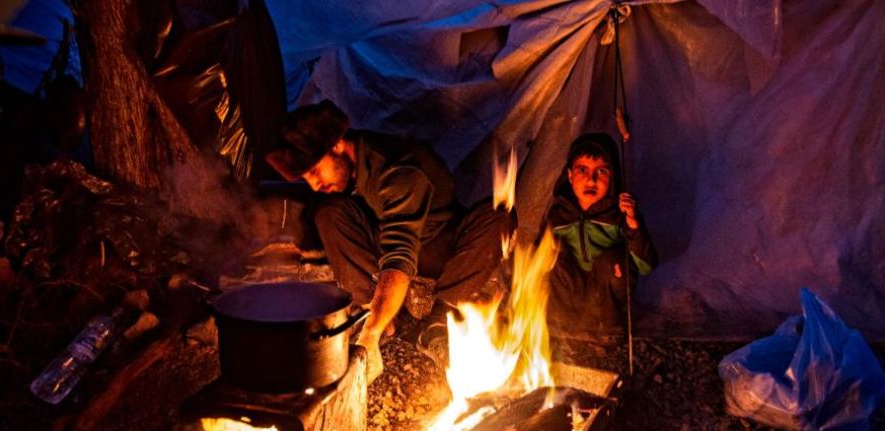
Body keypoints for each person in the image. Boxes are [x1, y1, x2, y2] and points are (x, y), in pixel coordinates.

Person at [265, 100, 511, 380]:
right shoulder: (350, 171)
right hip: (385, 246)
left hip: (440, 250)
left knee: (499, 216)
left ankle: (439, 318)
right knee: (329, 212)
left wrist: (370, 333)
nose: (314, 183)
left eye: (314, 172)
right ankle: (378, 313)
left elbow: (399, 255)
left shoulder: (399, 172)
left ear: (336, 145)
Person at [539, 132, 657, 336]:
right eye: (582, 170)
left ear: (612, 177)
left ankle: (607, 328)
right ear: (569, 175)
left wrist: (632, 222)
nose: (591, 180)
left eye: (601, 172)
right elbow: (539, 260)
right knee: (552, 256)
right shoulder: (558, 216)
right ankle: (561, 325)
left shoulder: (619, 214)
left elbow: (646, 266)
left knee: (610, 260)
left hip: (608, 289)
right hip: (573, 289)